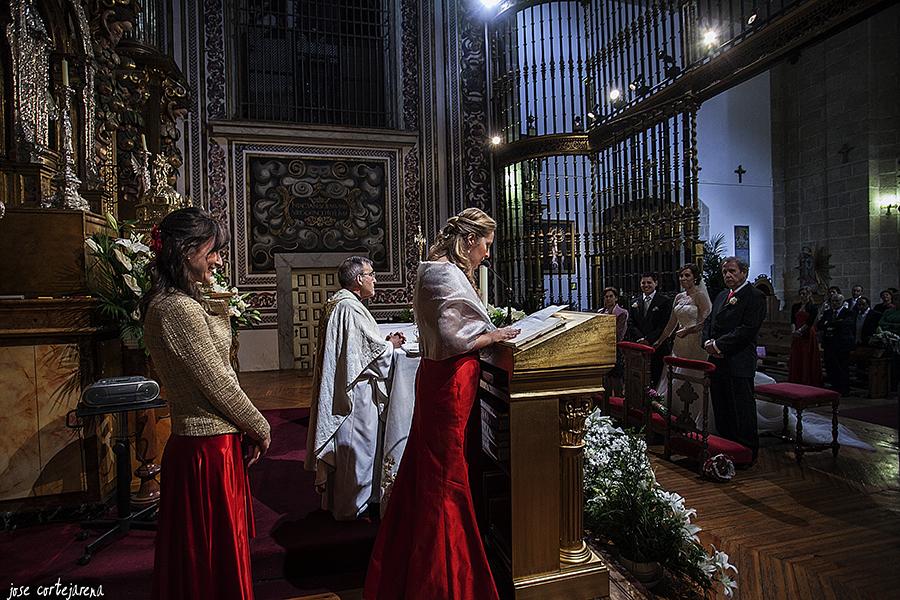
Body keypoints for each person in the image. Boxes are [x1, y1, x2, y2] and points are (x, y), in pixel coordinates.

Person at [365, 208, 519, 600]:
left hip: (447, 379)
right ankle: (443, 579)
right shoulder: (443, 273)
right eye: (485, 245)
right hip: (450, 381)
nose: (486, 254)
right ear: (468, 241)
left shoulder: (440, 270)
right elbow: (453, 335)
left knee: (433, 468)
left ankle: (420, 561)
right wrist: (494, 333)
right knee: (444, 475)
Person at [142, 208, 271, 600]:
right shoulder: (177, 309)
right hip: (206, 449)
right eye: (212, 251)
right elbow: (218, 380)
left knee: (208, 555)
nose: (218, 260)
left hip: (208, 443)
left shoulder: (178, 301)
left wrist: (213, 296)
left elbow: (219, 358)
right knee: (211, 558)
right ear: (185, 251)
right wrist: (260, 425)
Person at [305, 256, 405, 520]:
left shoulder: (340, 303)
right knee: (357, 448)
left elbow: (355, 348)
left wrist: (381, 342)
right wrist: (390, 345)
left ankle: (348, 503)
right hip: (355, 395)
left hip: (349, 387)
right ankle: (351, 508)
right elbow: (367, 356)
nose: (375, 279)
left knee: (354, 448)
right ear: (359, 279)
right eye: (371, 274)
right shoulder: (349, 307)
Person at [702, 257, 766, 461]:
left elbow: (747, 330)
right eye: (725, 272)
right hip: (717, 361)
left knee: (741, 408)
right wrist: (707, 342)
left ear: (744, 273)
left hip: (739, 360)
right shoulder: (721, 295)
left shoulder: (755, 296)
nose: (727, 275)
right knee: (722, 405)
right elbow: (709, 322)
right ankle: (726, 448)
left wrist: (719, 345)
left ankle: (746, 452)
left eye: (732, 271)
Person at [653, 264, 712, 417]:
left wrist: (688, 330)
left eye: (687, 275)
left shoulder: (700, 295)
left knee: (693, 375)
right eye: (681, 276)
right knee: (675, 375)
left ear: (695, 277)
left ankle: (694, 414)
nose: (683, 278)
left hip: (695, 340)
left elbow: (706, 321)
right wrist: (659, 341)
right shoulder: (679, 297)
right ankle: (676, 411)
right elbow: (671, 323)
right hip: (680, 342)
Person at [627, 272, 673, 385]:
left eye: (649, 282)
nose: (646, 285)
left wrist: (648, 339)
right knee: (639, 377)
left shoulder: (664, 301)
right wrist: (640, 338)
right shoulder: (634, 302)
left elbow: (664, 324)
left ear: (655, 283)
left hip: (657, 346)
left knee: (657, 376)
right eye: (643, 283)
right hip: (639, 346)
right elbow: (631, 323)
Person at [788, 286, 822, 387]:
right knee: (797, 355)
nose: (802, 296)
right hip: (797, 334)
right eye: (801, 294)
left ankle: (806, 379)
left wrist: (800, 331)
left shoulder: (813, 307)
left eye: (805, 294)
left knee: (806, 356)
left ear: (809, 294)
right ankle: (796, 379)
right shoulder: (795, 306)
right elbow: (792, 320)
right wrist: (794, 331)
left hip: (807, 333)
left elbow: (810, 322)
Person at [821, 293, 855, 395]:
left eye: (837, 301)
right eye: (833, 301)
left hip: (842, 344)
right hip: (829, 343)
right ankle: (834, 386)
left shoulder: (848, 312)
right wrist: (831, 323)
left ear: (842, 302)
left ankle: (844, 389)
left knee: (842, 367)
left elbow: (845, 324)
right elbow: (821, 324)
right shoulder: (828, 312)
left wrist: (830, 323)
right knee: (830, 366)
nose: (835, 303)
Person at [598, 286, 628, 397]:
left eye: (611, 296)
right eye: (606, 297)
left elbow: (619, 333)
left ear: (616, 298)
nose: (608, 299)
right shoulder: (601, 312)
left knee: (616, 379)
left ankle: (619, 404)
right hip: (602, 350)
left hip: (615, 349)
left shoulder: (621, 313)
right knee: (606, 379)